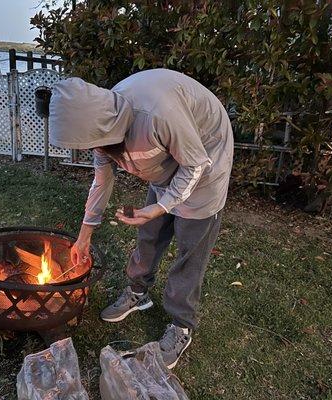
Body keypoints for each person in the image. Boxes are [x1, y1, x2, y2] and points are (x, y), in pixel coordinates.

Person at [48, 68, 234, 369]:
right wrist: (84, 237)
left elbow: (196, 164)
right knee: (149, 234)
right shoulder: (99, 125)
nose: (91, 151)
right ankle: (138, 292)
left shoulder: (157, 115)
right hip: (170, 157)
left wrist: (160, 207)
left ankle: (181, 324)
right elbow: (101, 181)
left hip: (206, 153)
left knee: (190, 248)